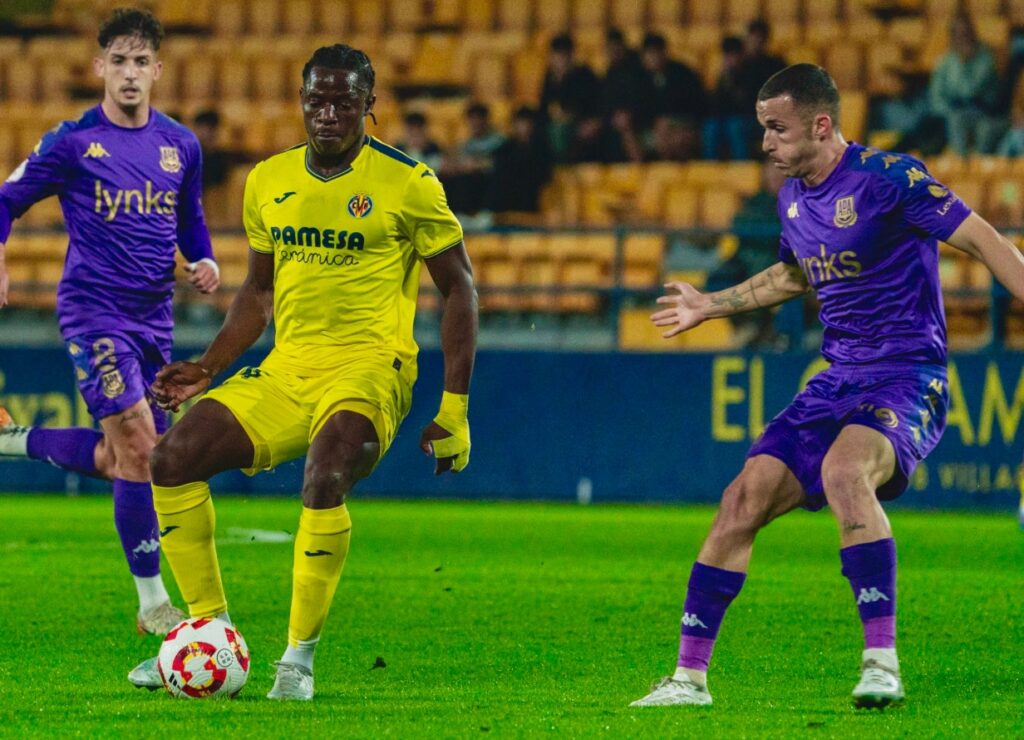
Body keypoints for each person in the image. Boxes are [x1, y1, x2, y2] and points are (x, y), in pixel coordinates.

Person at [631, 64, 1024, 709]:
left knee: (846, 471)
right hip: (836, 377)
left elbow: (983, 240)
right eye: (763, 130)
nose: (765, 144)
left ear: (821, 124)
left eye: (777, 129)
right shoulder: (793, 197)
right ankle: (688, 680)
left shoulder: (889, 179)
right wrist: (710, 305)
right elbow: (793, 276)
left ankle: (881, 664)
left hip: (906, 375)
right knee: (741, 500)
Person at [126, 43, 478, 701]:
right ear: (301, 101)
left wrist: (453, 407)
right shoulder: (269, 180)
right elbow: (258, 294)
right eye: (316, 99)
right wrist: (209, 366)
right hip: (288, 370)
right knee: (171, 459)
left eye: (345, 101)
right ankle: (210, 637)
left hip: (373, 369)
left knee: (326, 470)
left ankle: (298, 661)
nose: (328, 113)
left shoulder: (409, 182)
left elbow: (459, 289)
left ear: (370, 108)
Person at [0, 8, 218, 635]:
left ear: (158, 70)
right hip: (93, 313)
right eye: (118, 61)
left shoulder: (181, 145)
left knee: (123, 457)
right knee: (141, 446)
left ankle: (14, 442)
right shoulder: (70, 142)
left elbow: (190, 220)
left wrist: (202, 258)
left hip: (155, 322)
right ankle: (153, 603)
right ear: (99, 67)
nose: (129, 73)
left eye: (140, 62)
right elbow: (6, 200)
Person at [928, 14, 1004, 156]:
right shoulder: (943, 62)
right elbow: (935, 100)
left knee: (984, 128)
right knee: (955, 120)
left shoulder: (986, 59)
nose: (962, 38)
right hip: (952, 114)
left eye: (965, 33)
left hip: (983, 111)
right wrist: (949, 111)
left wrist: (965, 63)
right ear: (951, 38)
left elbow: (971, 91)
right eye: (957, 34)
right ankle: (960, 164)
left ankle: (978, 167)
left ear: (973, 34)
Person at [640, 33, 705, 159]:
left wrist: (672, 121)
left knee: (675, 137)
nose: (654, 58)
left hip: (684, 126)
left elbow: (696, 105)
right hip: (652, 130)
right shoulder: (639, 79)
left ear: (665, 53)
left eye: (657, 53)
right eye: (650, 54)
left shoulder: (683, 74)